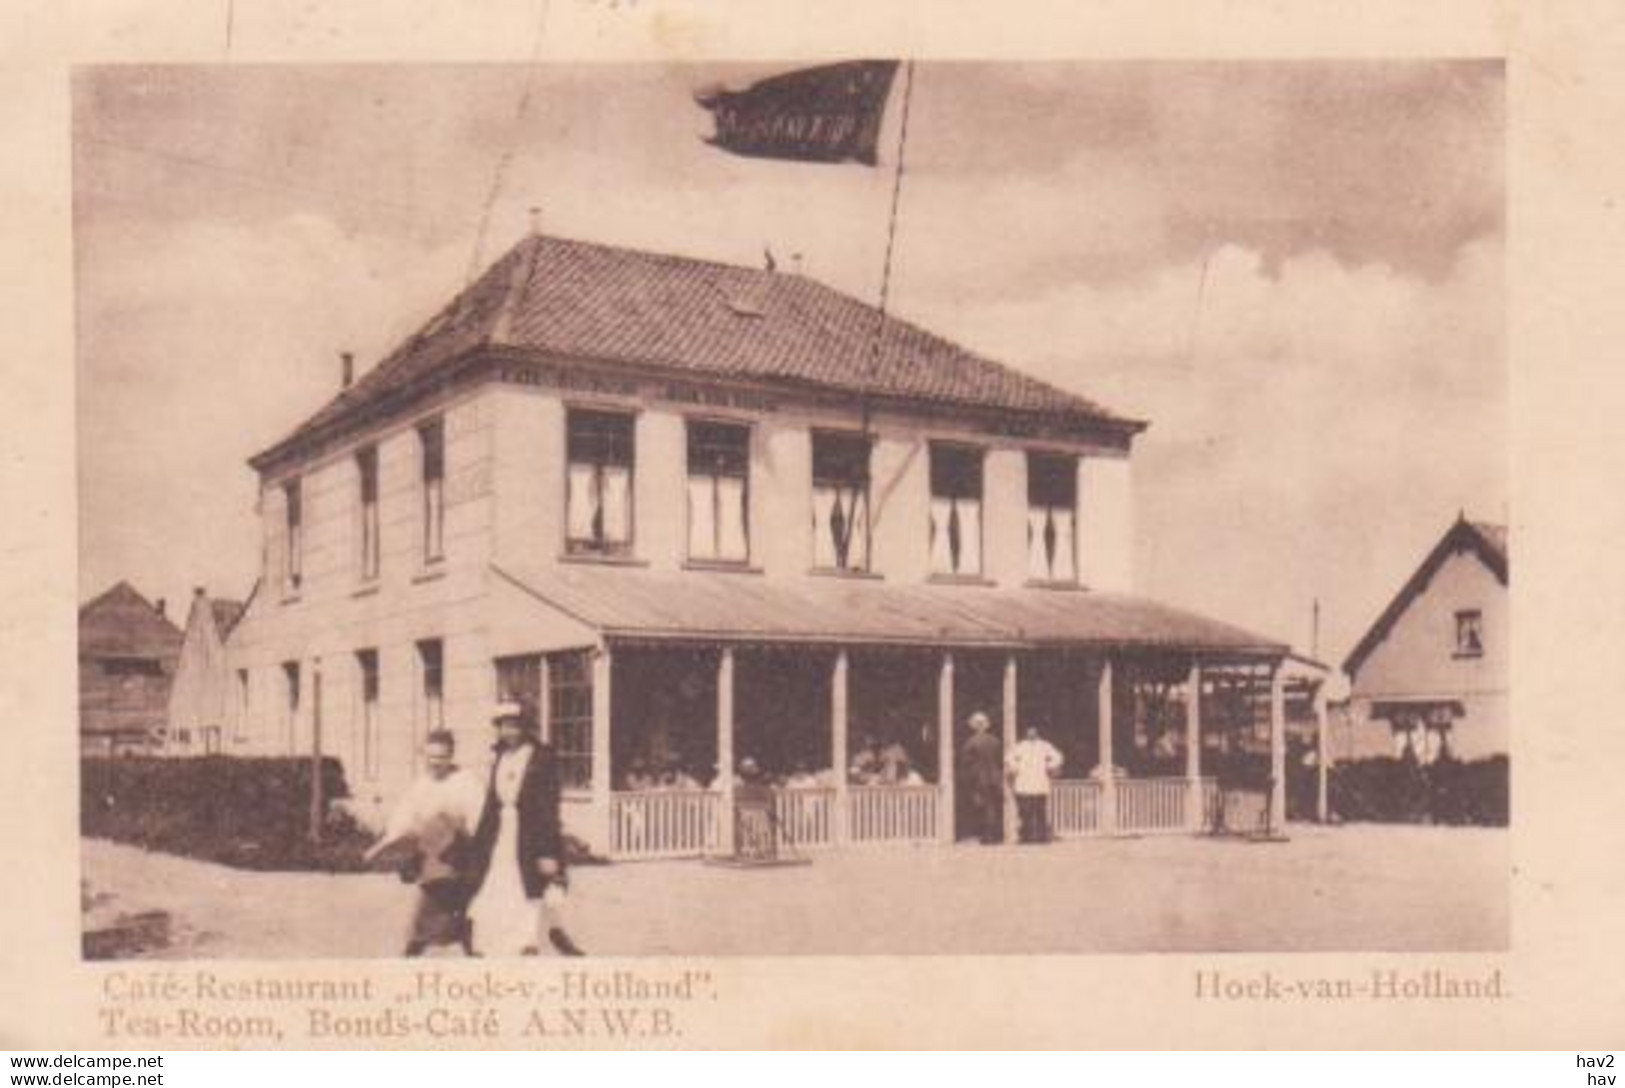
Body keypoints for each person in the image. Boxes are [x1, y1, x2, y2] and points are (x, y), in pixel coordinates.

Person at [468, 702, 583, 957]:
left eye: (514, 725)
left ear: (525, 726)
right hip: (502, 832)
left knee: (531, 885)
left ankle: (531, 940)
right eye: (503, 726)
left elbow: (548, 806)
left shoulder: (541, 756)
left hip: (531, 832)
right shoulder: (498, 756)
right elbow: (492, 801)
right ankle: (495, 943)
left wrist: (548, 850)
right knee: (499, 882)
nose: (508, 732)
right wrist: (480, 839)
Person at [364, 729, 485, 957]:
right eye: (431, 757)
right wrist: (379, 848)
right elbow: (403, 820)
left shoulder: (467, 782)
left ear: (451, 756)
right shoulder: (421, 784)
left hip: (458, 858)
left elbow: (479, 823)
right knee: (442, 909)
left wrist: (460, 833)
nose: (435, 763)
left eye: (441, 757)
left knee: (440, 909)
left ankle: (419, 951)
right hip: (430, 859)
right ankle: (456, 945)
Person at [1006, 725, 1064, 844]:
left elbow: (1058, 757)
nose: (1031, 734)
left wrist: (1049, 766)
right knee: (1025, 812)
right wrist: (1015, 768)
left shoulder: (1044, 745)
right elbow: (1009, 758)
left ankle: (1041, 837)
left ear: (1037, 733)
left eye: (1033, 732)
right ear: (1026, 734)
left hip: (1039, 783)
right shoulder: (1020, 746)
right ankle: (1026, 837)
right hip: (1024, 783)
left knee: (1040, 811)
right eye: (1029, 733)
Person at [959, 711, 1005, 844]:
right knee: (992, 806)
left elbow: (966, 763)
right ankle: (993, 834)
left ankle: (986, 835)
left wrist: (967, 778)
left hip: (978, 778)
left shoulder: (970, 742)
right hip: (995, 777)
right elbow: (999, 759)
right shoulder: (995, 741)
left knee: (982, 806)